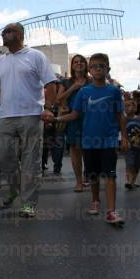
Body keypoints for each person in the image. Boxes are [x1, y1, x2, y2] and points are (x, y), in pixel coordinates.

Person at [0, 23, 57, 218]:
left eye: (8, 31)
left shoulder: (36, 56)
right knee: (3, 157)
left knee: (31, 160)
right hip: (5, 116)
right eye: (3, 31)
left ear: (20, 34)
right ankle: (14, 187)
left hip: (31, 114)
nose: (4, 34)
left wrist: (47, 108)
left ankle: (28, 203)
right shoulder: (0, 61)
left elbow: (51, 83)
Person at [52, 53, 128, 226]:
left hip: (109, 140)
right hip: (88, 141)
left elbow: (121, 115)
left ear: (108, 69)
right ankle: (95, 201)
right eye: (94, 66)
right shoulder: (84, 92)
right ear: (90, 70)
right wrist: (56, 119)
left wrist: (124, 137)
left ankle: (111, 211)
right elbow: (74, 114)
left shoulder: (114, 91)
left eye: (101, 66)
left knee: (110, 175)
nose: (97, 69)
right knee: (93, 175)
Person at [57, 55, 91, 191]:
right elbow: (58, 99)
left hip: (91, 118)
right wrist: (74, 87)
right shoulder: (66, 82)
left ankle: (89, 176)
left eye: (81, 61)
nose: (79, 64)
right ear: (72, 65)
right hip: (72, 119)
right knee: (75, 151)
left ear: (86, 64)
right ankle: (79, 182)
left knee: (90, 150)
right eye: (75, 62)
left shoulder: (92, 81)